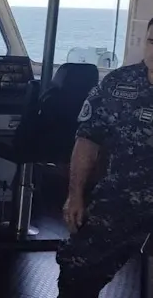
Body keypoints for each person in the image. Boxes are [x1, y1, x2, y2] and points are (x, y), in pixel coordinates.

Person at [55, 16, 153, 297]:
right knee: (77, 268)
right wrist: (75, 195)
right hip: (120, 199)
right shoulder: (119, 84)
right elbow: (88, 140)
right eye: (152, 41)